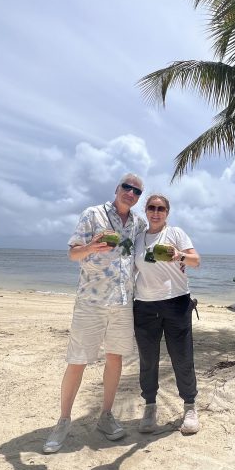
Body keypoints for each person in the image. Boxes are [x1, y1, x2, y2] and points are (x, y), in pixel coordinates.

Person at [43, 173, 147, 453]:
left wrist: (177, 264)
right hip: (91, 300)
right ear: (117, 189)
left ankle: (106, 415)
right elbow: (73, 254)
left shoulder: (138, 223)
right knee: (78, 360)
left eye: (137, 191)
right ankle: (63, 420)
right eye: (127, 187)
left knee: (115, 358)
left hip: (123, 302)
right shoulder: (93, 214)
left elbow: (144, 255)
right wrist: (91, 247)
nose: (131, 193)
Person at [133, 194, 202, 435]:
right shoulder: (138, 238)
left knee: (182, 358)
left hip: (176, 303)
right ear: (146, 210)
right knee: (148, 359)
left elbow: (196, 261)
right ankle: (150, 407)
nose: (156, 212)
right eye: (151, 207)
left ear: (167, 212)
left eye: (160, 208)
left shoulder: (176, 233)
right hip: (144, 306)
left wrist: (179, 256)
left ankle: (190, 407)